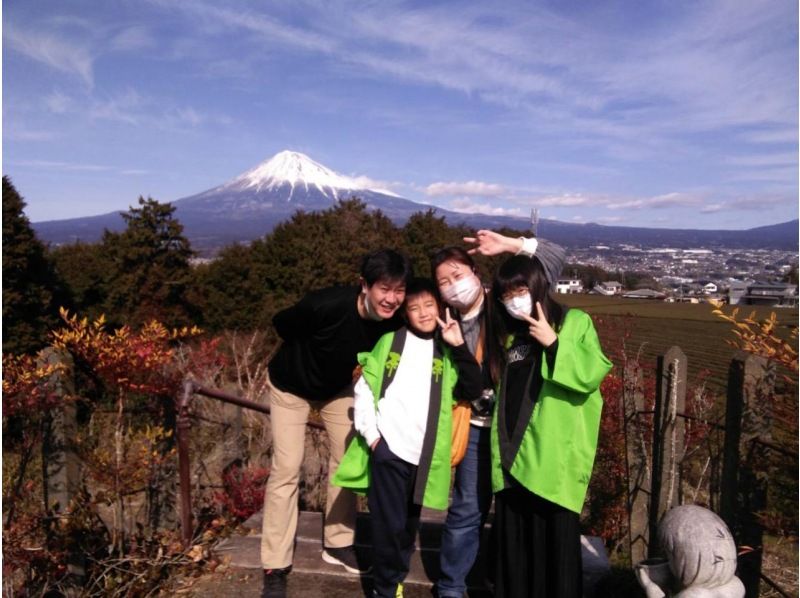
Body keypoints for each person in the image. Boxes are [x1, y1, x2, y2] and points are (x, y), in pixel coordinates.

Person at [260, 249, 412, 598]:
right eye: (383, 289)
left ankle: (339, 542)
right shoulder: (325, 304)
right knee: (286, 466)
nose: (391, 299)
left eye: (398, 290)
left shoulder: (394, 319)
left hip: (338, 389)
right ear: (364, 285)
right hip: (289, 385)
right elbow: (283, 324)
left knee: (346, 461)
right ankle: (275, 564)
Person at [431, 230, 562, 598]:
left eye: (458, 275)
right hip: (475, 429)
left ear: (476, 271)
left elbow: (553, 260)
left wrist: (511, 245)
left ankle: (503, 580)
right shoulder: (443, 325)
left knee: (514, 512)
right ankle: (451, 587)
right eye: (444, 282)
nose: (453, 287)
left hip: (515, 429)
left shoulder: (503, 305)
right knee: (467, 510)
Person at [333, 278, 482, 598]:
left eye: (429, 305)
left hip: (425, 457)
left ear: (440, 307)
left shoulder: (446, 349)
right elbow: (365, 391)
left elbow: (473, 389)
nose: (424, 313)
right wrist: (375, 441)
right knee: (388, 527)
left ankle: (395, 577)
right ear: (405, 313)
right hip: (389, 453)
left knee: (407, 527)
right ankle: (385, 589)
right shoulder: (390, 343)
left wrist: (458, 345)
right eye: (414, 308)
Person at [486, 252, 612, 598]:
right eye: (506, 295)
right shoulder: (511, 337)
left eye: (520, 290)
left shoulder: (573, 322)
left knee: (554, 557)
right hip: (512, 463)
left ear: (539, 285)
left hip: (551, 465)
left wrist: (553, 344)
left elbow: (590, 372)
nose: (514, 300)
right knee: (516, 558)